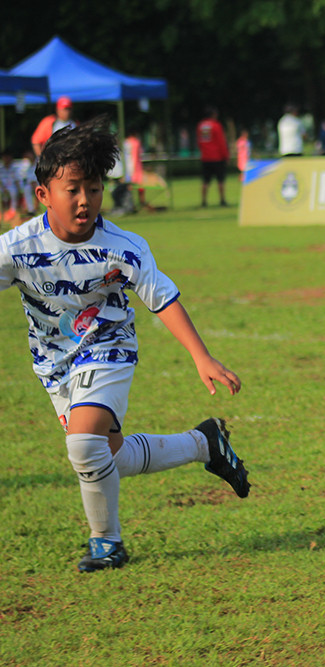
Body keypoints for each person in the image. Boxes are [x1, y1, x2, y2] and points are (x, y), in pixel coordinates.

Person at [0, 118, 249, 573]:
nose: (84, 201)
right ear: (42, 195)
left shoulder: (124, 246)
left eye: (93, 189)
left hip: (109, 345)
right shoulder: (15, 248)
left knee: (83, 445)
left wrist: (201, 356)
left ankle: (106, 543)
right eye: (72, 189)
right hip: (53, 364)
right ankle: (203, 444)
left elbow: (163, 298)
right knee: (106, 454)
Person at [196, 106, 229, 207]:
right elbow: (221, 142)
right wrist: (225, 155)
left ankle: (204, 201)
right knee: (220, 180)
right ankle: (222, 200)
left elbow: (199, 142)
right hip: (217, 157)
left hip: (205, 157)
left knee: (205, 181)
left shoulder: (201, 126)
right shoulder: (216, 126)